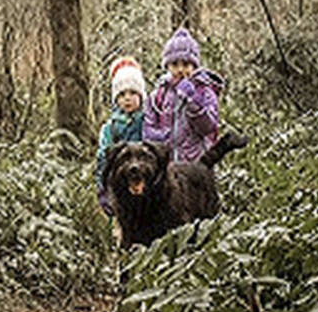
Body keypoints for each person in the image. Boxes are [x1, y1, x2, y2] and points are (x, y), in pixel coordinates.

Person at [144, 27, 247, 164]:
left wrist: (193, 101)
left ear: (194, 66)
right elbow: (149, 126)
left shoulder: (204, 91)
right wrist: (160, 139)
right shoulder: (159, 94)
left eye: (186, 64)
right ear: (167, 66)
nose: (180, 69)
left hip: (196, 163)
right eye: (175, 64)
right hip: (167, 164)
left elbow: (208, 127)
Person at [94, 56, 147, 216]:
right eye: (122, 94)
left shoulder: (149, 122)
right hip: (120, 189)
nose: (127, 98)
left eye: (133, 93)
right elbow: (103, 159)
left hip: (145, 187)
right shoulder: (110, 129)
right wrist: (102, 189)